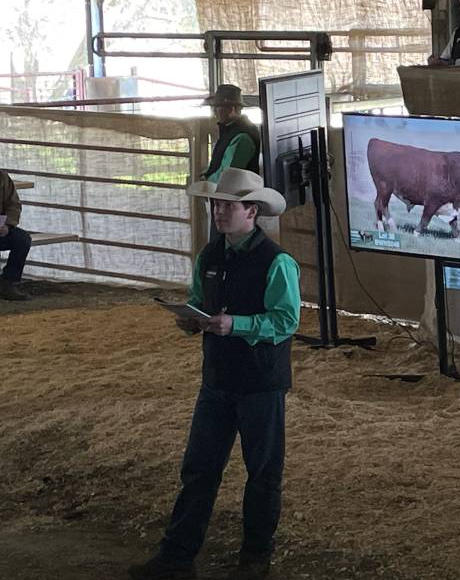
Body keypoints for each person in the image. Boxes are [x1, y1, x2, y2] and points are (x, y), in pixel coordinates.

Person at [129, 168, 300, 580]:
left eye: (227, 205)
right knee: (200, 468)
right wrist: (190, 320)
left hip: (259, 382)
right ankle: (178, 555)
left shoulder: (277, 262)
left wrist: (235, 325)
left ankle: (254, 557)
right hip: (219, 378)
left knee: (262, 473)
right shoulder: (209, 257)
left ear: (251, 211)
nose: (219, 211)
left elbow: (287, 320)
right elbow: (197, 301)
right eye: (216, 204)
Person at [200, 85, 261, 184]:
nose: (214, 112)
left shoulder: (242, 138)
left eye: (218, 107)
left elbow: (227, 176)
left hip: (234, 195)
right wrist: (206, 174)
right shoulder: (230, 130)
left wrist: (207, 181)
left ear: (231, 109)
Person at [0, 169, 32, 301]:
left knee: (22, 239)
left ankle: (7, 282)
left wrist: (7, 225)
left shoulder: (2, 177)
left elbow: (14, 205)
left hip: (1, 228)